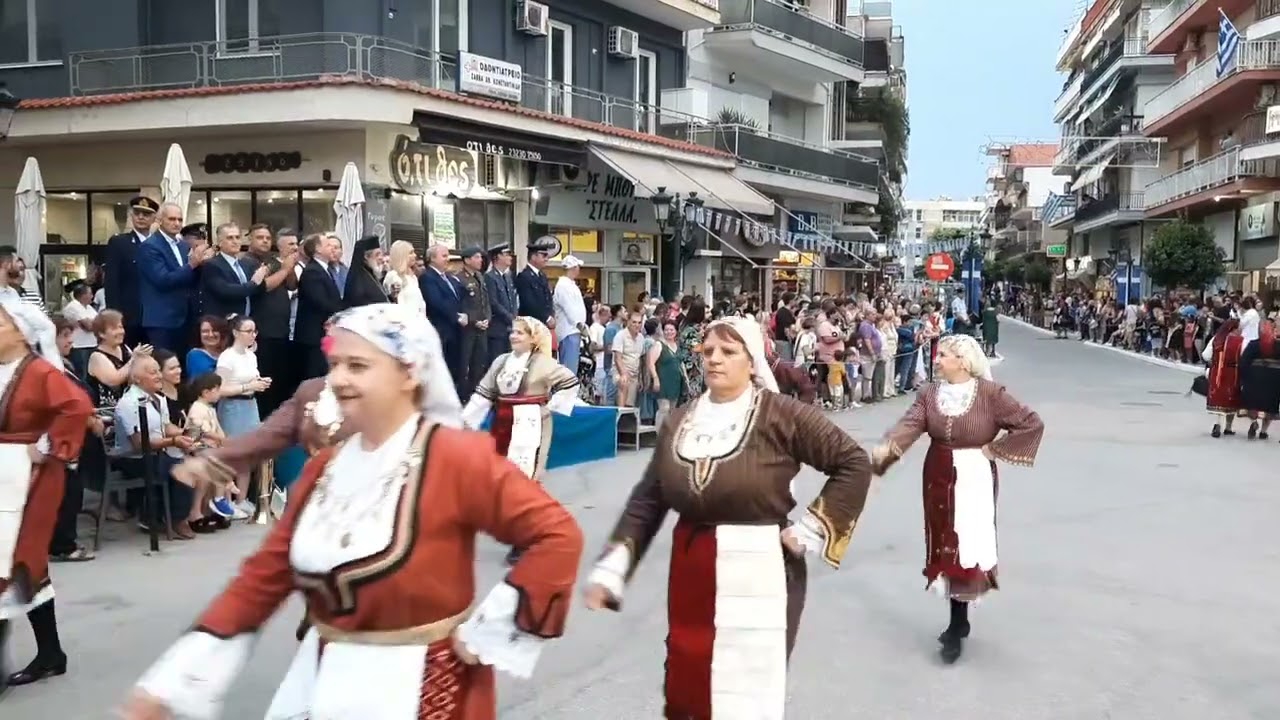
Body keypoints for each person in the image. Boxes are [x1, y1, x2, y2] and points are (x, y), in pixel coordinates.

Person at [121, 302, 585, 720]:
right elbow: (263, 577)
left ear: (409, 373)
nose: (339, 378)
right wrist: (172, 682)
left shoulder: (455, 458)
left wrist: (489, 629)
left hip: (422, 692)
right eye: (336, 363)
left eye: (358, 365)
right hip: (322, 681)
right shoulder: (328, 464)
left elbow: (556, 534)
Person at [581, 316, 872, 718]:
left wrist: (812, 528)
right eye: (708, 351)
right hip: (692, 568)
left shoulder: (781, 414)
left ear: (752, 361)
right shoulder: (682, 419)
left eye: (728, 352)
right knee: (690, 682)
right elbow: (649, 498)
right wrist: (612, 568)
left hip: (760, 569)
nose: (714, 359)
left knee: (744, 691)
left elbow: (853, 462)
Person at [870, 334, 1044, 664]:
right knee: (944, 541)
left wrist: (995, 449)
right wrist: (880, 459)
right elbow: (908, 426)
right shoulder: (930, 394)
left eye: (944, 355)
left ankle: (957, 622)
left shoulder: (991, 395)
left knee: (966, 542)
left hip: (974, 474)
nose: (936, 360)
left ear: (963, 362)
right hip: (937, 474)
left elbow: (1030, 423)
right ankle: (957, 618)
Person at [0, 300, 94, 697]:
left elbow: (77, 406)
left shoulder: (39, 371)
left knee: (13, 560)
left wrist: (49, 442)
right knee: (22, 565)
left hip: (30, 476)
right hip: (6, 474)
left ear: (19, 331)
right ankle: (51, 653)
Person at [461, 316, 578, 487]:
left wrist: (547, 409)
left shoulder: (543, 363)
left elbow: (570, 382)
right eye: (513, 332)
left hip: (531, 425)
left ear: (533, 338)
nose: (513, 336)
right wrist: (464, 422)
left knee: (526, 474)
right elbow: (484, 394)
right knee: (499, 471)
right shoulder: (501, 361)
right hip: (502, 423)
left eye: (520, 333)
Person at [213, 314, 270, 519]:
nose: (252, 335)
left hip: (250, 405)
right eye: (248, 331)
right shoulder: (227, 357)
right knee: (232, 454)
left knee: (248, 455)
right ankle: (226, 500)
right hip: (233, 407)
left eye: (254, 331)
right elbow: (219, 389)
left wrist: (259, 382)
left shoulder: (250, 355)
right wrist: (248, 386)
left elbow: (252, 378)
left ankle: (242, 499)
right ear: (236, 332)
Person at [137, 202, 211, 352]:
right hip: (162, 320)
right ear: (160, 220)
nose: (176, 223)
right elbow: (163, 280)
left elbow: (189, 278)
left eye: (179, 219)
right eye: (171, 219)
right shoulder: (150, 246)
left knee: (182, 368)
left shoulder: (183, 245)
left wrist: (202, 264)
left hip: (186, 317)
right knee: (164, 366)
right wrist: (192, 264)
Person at [103, 195, 158, 348]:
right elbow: (112, 282)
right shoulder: (120, 243)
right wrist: (114, 317)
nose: (141, 217)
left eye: (146, 214)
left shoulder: (159, 244)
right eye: (137, 213)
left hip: (157, 318)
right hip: (130, 317)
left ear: (154, 218)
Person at [420, 243, 468, 393]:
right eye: (444, 256)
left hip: (456, 330)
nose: (448, 259)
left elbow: (460, 298)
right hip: (442, 330)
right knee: (444, 368)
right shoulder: (428, 277)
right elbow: (436, 302)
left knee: (456, 368)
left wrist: (465, 313)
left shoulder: (449, 277)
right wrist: (455, 316)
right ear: (432, 258)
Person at [199, 223, 268, 319]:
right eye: (230, 238)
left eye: (237, 237)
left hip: (246, 322)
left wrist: (262, 277)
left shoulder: (246, 264)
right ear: (220, 242)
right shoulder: (212, 265)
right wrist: (254, 282)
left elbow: (257, 291)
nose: (235, 241)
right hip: (223, 323)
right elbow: (227, 291)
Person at [456, 246, 492, 401]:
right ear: (467, 260)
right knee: (465, 363)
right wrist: (474, 321)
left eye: (481, 257)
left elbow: (486, 302)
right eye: (477, 257)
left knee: (479, 363)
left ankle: (476, 395)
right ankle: (464, 396)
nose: (480, 260)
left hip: (482, 327)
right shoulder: (459, 278)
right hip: (468, 329)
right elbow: (459, 306)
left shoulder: (479, 276)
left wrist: (487, 319)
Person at [1203, 318, 1244, 438]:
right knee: (1231, 398)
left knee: (1219, 397)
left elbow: (1206, 355)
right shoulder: (1240, 341)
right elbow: (1243, 357)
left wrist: (1215, 361)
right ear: (1234, 329)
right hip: (1233, 372)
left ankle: (1217, 423)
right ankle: (1228, 427)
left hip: (1218, 372)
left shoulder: (1217, 338)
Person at [1240, 319, 1280, 440]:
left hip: (1255, 377)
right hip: (1274, 378)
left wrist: (1244, 377)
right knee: (1270, 406)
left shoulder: (1253, 344)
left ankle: (1254, 422)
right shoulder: (1278, 345)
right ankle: (1263, 431)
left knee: (1254, 404)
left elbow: (1244, 361)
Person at [552, 255, 587, 373]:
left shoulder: (570, 285)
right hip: (569, 331)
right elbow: (569, 308)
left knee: (572, 367)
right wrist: (579, 324)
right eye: (577, 267)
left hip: (574, 330)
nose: (579, 270)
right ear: (573, 268)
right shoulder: (563, 286)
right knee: (568, 369)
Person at [484, 244, 518, 361]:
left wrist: (514, 316)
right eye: (506, 254)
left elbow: (512, 300)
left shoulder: (508, 277)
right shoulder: (490, 277)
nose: (510, 257)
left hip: (509, 328)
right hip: (497, 329)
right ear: (497, 257)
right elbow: (493, 302)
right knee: (497, 362)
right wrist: (510, 317)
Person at [514, 236, 555, 332]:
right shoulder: (524, 276)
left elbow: (548, 299)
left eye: (547, 256)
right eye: (543, 256)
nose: (546, 259)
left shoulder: (542, 276)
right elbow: (529, 303)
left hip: (542, 325)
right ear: (533, 257)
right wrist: (547, 318)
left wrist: (551, 315)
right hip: (530, 325)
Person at [342, 235, 389, 309]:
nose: (381, 258)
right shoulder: (357, 279)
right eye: (377, 254)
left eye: (381, 254)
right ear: (366, 257)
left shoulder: (371, 273)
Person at [382, 240, 424, 315]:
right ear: (401, 255)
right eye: (411, 253)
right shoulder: (393, 275)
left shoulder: (413, 276)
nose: (415, 255)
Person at [184, 315, 227, 380]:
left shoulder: (228, 352)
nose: (211, 334)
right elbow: (207, 379)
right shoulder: (195, 355)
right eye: (205, 331)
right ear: (199, 334)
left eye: (215, 330)